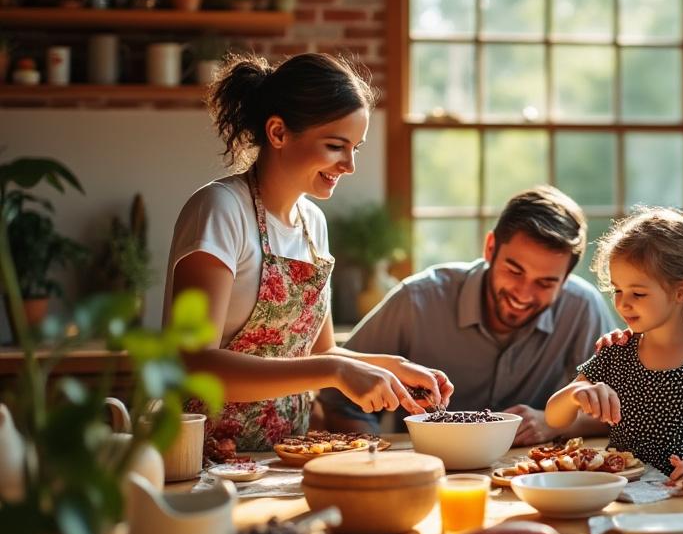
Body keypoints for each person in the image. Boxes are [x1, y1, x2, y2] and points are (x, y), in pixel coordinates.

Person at [166, 52, 451, 462]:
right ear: (278, 132)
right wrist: (335, 372)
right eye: (335, 146)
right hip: (202, 461)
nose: (349, 165)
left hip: (281, 460)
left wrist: (393, 368)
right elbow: (195, 365)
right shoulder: (220, 209)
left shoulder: (312, 223)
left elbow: (320, 353)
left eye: (355, 148)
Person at [319, 186, 616, 445]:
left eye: (546, 283)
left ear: (565, 279)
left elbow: (623, 405)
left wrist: (554, 423)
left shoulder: (582, 307)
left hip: (533, 477)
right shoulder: (416, 301)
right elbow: (335, 397)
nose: (524, 294)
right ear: (490, 248)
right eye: (514, 271)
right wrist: (377, 454)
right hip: (427, 470)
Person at [545, 208, 683, 515]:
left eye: (638, 293)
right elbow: (554, 417)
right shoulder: (616, 352)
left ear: (682, 290)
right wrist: (576, 394)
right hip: (624, 507)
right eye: (617, 290)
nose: (622, 303)